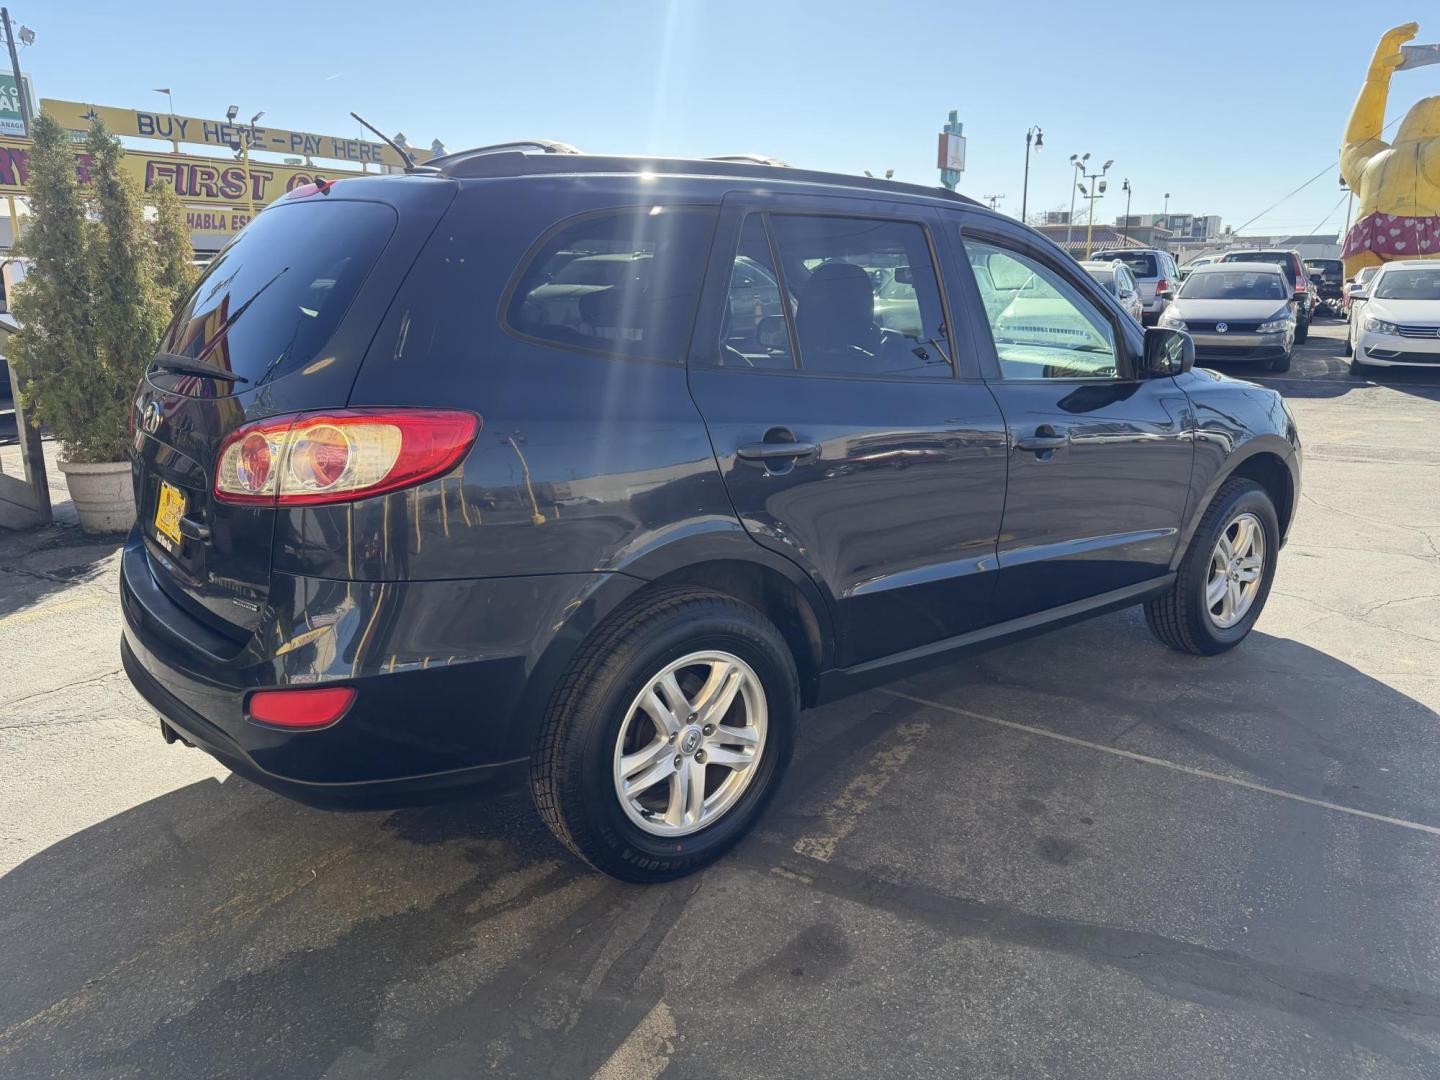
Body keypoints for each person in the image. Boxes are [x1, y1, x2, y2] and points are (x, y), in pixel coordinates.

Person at [1341, 22, 1440, 278]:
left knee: (1364, 304)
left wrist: (1377, 76)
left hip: (1366, 247)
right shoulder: (1431, 155)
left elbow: (1355, 141)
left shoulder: (1374, 162)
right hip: (1428, 250)